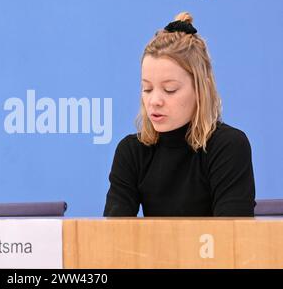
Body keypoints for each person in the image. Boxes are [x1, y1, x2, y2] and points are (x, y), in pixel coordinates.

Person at [104, 12, 256, 217]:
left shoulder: (228, 146)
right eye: (147, 89)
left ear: (200, 90)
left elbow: (231, 240)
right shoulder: (131, 152)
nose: (154, 101)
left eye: (170, 90)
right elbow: (112, 239)